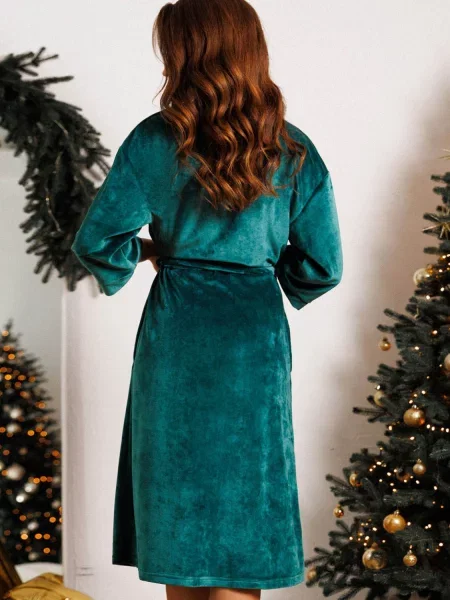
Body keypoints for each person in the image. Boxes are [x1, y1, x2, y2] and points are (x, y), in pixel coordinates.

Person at [71, 0, 344, 598]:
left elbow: (97, 241)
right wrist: (264, 271)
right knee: (246, 506)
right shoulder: (293, 150)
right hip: (253, 337)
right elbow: (322, 267)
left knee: (179, 509)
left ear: (186, 55)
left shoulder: (153, 141)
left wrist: (152, 251)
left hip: (177, 331)